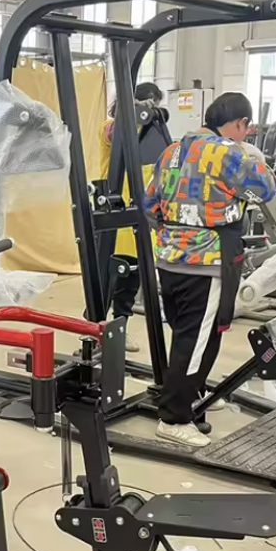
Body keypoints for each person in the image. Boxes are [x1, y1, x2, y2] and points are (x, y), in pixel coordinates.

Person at [143, 92, 276, 447]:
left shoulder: (171, 151)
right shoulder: (230, 153)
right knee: (198, 339)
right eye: (246, 129)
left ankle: (190, 394)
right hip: (207, 262)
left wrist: (176, 234)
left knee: (185, 333)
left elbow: (149, 203)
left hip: (169, 259)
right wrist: (256, 159)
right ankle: (174, 418)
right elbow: (266, 190)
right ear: (241, 123)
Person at [98, 82, 164, 353]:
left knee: (131, 278)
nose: (151, 110)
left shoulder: (150, 135)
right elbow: (115, 135)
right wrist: (134, 112)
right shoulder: (110, 126)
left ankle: (120, 327)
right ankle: (95, 326)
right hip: (113, 211)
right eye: (149, 104)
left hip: (139, 213)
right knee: (106, 276)